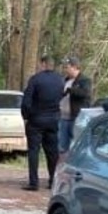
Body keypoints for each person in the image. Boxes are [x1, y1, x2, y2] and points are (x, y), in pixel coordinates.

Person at [20, 54, 66, 191]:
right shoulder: (60, 80)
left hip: (36, 119)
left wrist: (26, 116)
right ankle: (53, 180)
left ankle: (34, 182)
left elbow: (26, 101)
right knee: (52, 152)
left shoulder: (35, 80)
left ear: (43, 64)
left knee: (33, 151)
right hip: (54, 119)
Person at [59, 57, 93, 153]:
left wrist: (71, 90)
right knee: (62, 146)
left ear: (74, 67)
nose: (65, 70)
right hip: (63, 118)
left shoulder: (85, 80)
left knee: (75, 145)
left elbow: (85, 93)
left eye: (67, 67)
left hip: (77, 118)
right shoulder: (65, 80)